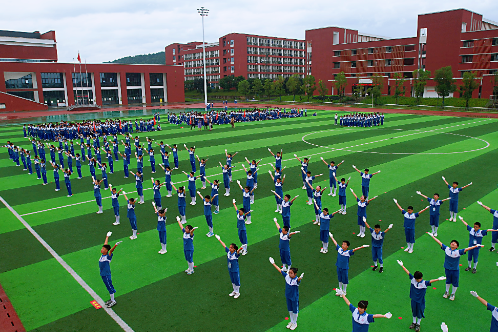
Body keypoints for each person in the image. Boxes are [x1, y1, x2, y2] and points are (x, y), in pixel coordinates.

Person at [427, 232, 482, 300]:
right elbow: (439, 243)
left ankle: (453, 294)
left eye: (454, 243)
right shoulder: (446, 249)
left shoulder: (458, 252)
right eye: (452, 242)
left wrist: (476, 246)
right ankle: (446, 292)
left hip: (455, 270)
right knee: (448, 280)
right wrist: (433, 236)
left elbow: (467, 249)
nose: (452, 243)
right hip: (447, 268)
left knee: (455, 282)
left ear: (457, 246)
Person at [396, 260, 446, 332]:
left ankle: (418, 324)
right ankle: (414, 323)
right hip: (413, 299)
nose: (420, 279)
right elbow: (408, 272)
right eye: (419, 279)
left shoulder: (424, 283)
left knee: (419, 312)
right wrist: (402, 265)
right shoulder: (413, 279)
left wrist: (438, 279)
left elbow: (430, 281)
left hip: (420, 301)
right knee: (414, 311)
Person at [268, 257, 304, 331]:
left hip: (294, 297)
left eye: (291, 273)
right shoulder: (287, 277)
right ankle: (291, 321)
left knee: (295, 310)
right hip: (288, 296)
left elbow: (298, 280)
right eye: (289, 272)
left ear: (295, 274)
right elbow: (280, 270)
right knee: (290, 310)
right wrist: (273, 263)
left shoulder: (296, 280)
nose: (289, 274)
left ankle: (295, 323)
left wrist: (300, 278)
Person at [99, 231, 122, 308]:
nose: (102, 249)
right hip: (103, 274)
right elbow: (106, 245)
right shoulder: (103, 255)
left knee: (109, 287)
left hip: (106, 274)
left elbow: (111, 250)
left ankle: (113, 301)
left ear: (106, 251)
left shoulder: (108, 257)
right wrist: (107, 236)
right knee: (107, 286)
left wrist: (115, 245)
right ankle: (111, 299)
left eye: (103, 249)